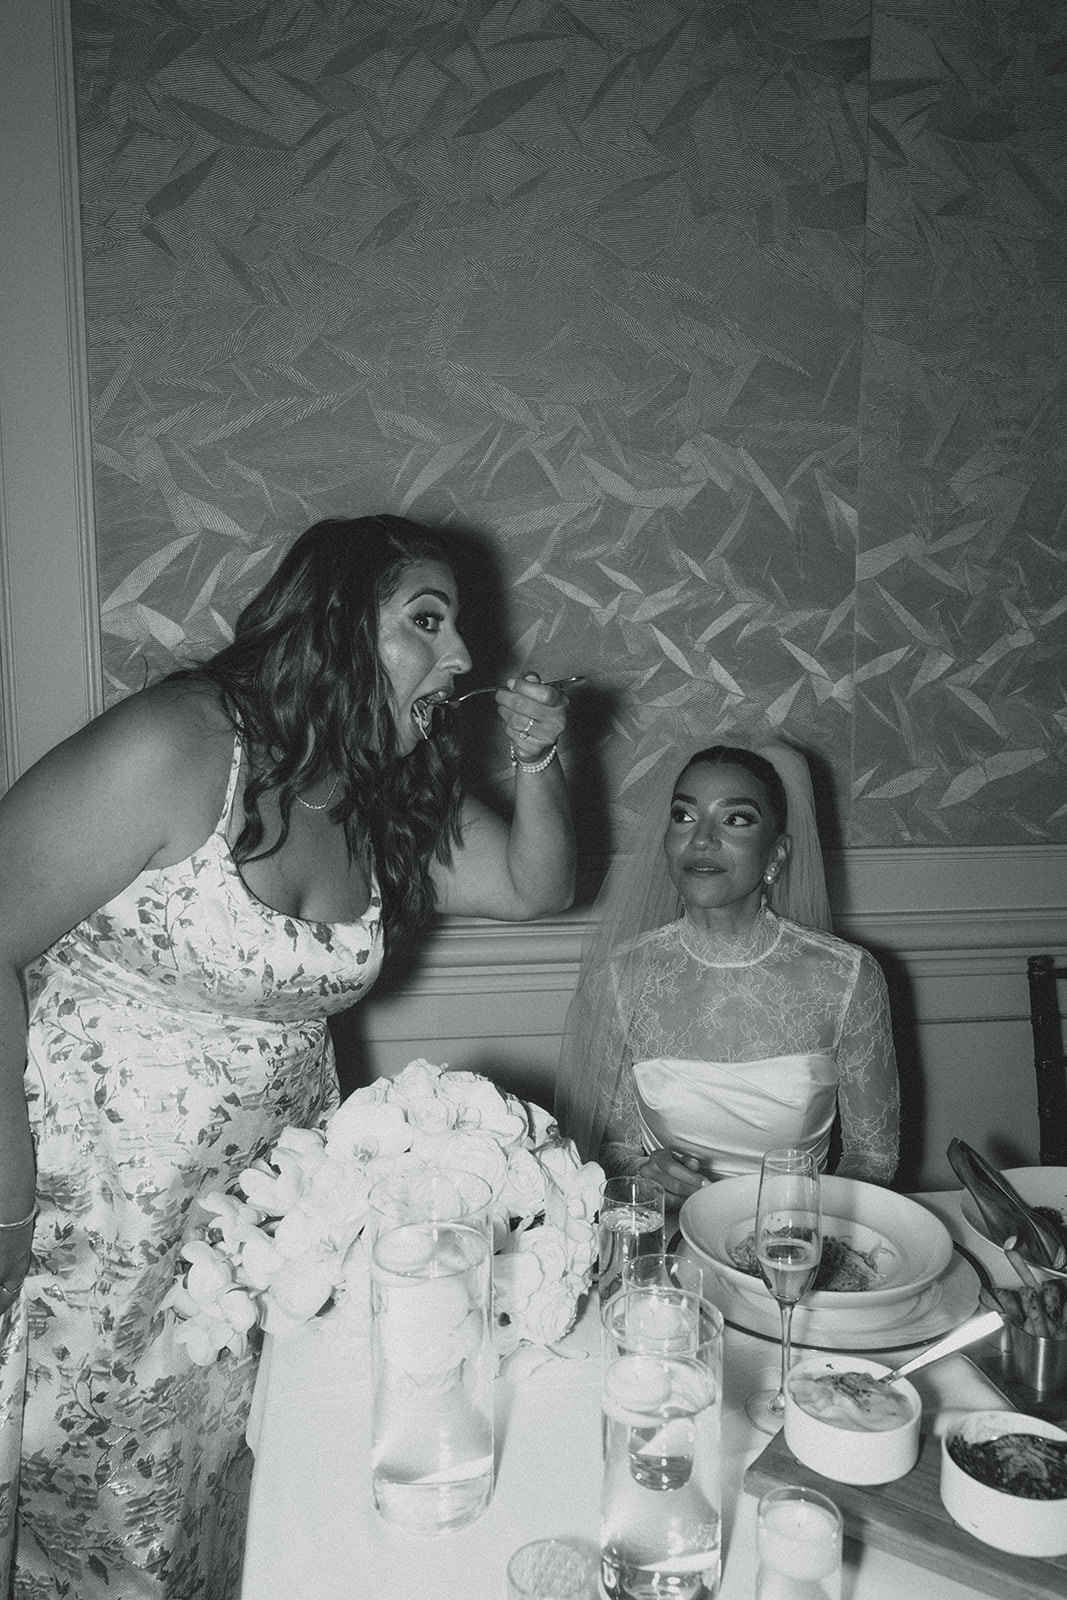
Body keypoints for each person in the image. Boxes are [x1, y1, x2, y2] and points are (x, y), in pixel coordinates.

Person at [0, 514, 575, 1599]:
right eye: (426, 621)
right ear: (330, 625)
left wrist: (539, 756)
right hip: (86, 1219)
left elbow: (534, 884)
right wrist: (7, 1206)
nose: (461, 658)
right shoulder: (176, 747)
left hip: (248, 1236)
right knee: (80, 1527)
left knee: (206, 1512)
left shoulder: (376, 787)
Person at [554, 739, 898, 1206]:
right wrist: (645, 1174)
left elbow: (871, 1158)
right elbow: (610, 1150)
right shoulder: (621, 978)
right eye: (684, 816)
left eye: (735, 818)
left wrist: (804, 1225)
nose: (701, 839)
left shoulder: (847, 978)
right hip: (672, 1248)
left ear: (776, 856)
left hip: (795, 1250)